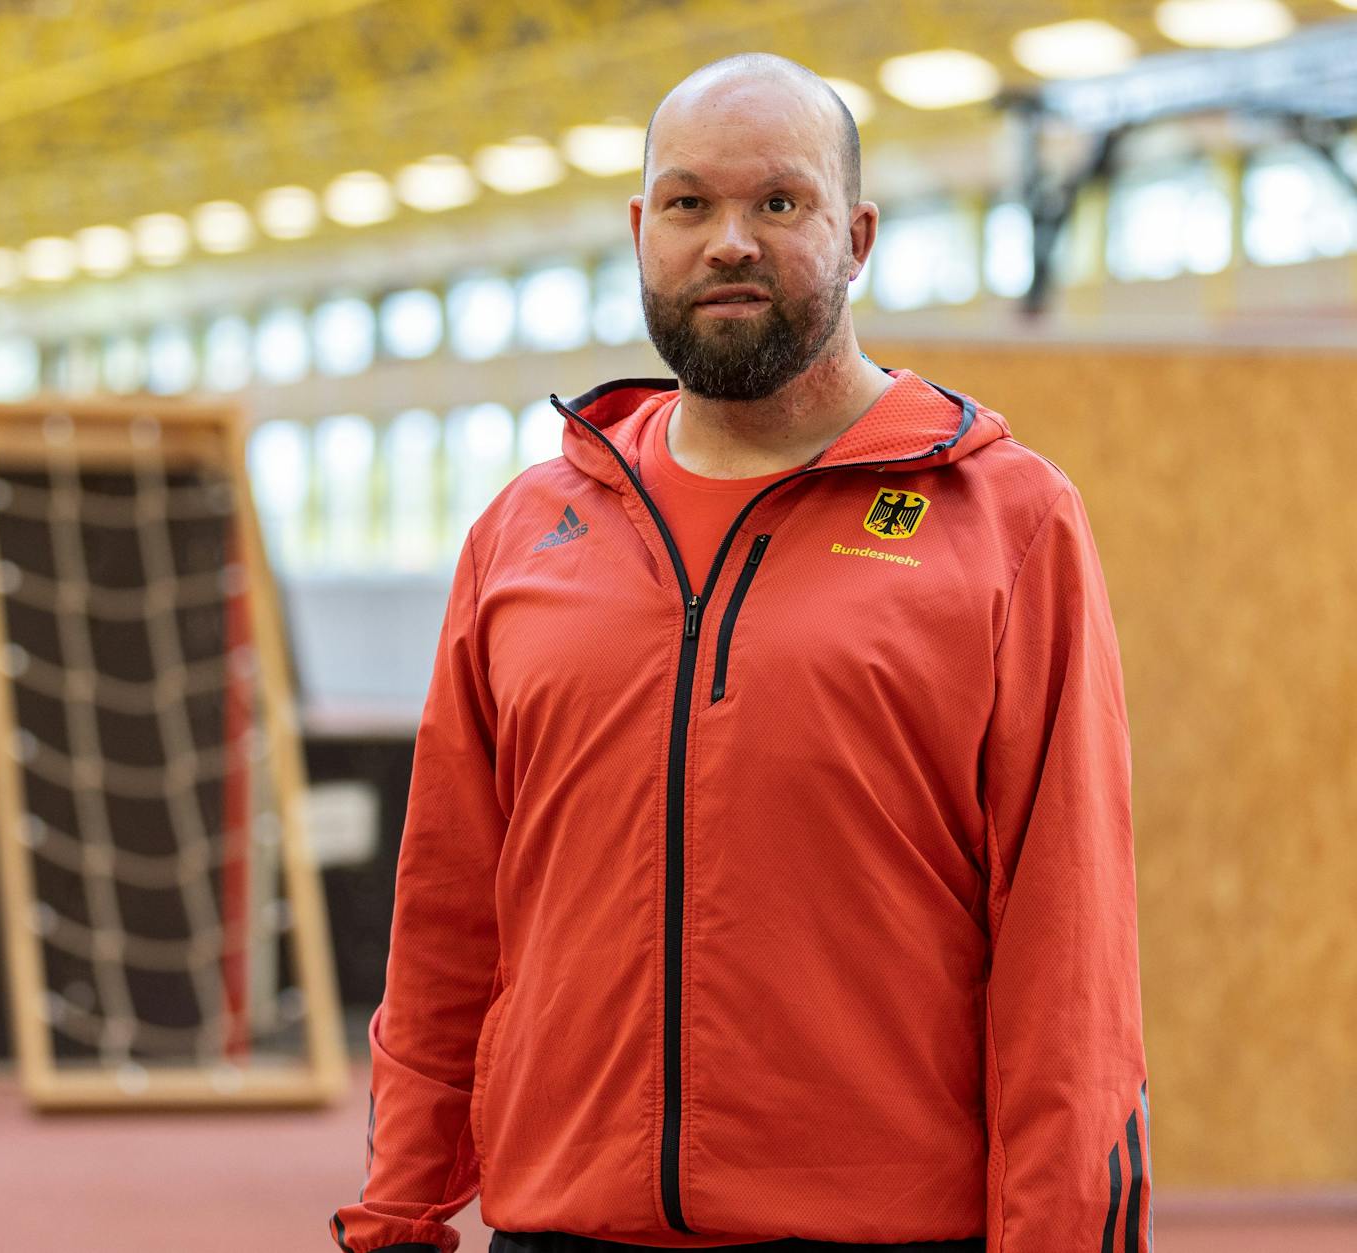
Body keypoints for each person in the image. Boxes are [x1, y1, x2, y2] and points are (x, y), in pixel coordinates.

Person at [328, 53, 1152, 1253]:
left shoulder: (1005, 521)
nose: (728, 241)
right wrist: (396, 1210)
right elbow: (446, 912)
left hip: (880, 1234)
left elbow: (1066, 951)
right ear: (638, 229)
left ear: (855, 233)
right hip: (563, 1226)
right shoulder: (523, 533)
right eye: (687, 202)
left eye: (778, 202)